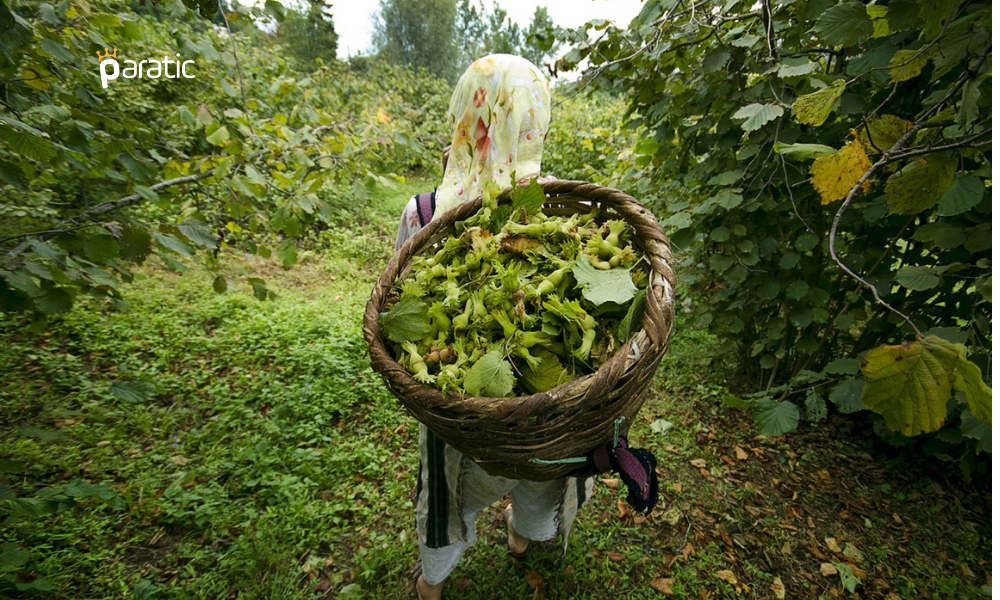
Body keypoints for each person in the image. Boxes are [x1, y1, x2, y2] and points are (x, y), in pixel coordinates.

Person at [393, 54, 594, 600]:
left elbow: (395, 306)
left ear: (464, 115)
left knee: (447, 494)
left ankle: (430, 586)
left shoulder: (425, 212)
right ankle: (521, 538)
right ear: (535, 123)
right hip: (549, 417)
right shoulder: (556, 202)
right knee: (541, 483)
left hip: (458, 417)